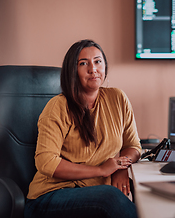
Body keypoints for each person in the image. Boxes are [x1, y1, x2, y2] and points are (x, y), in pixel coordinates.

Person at [24, 39, 142, 218]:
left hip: (97, 192)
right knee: (110, 198)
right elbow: (46, 161)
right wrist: (102, 170)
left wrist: (121, 167)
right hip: (50, 195)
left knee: (143, 192)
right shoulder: (58, 106)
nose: (93, 69)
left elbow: (133, 146)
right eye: (83, 63)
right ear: (73, 71)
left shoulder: (118, 98)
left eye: (97, 61)